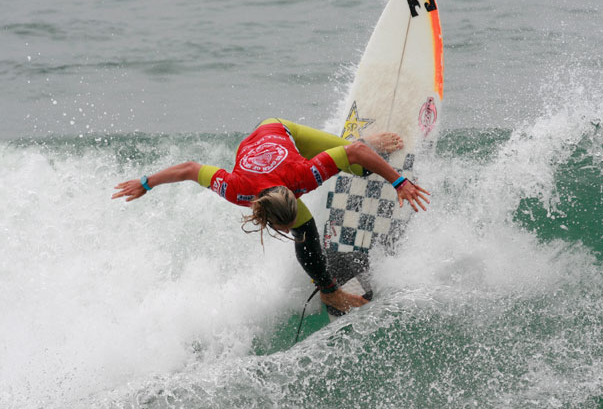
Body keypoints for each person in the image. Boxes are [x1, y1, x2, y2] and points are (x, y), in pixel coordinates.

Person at [112, 118, 430, 311]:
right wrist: (146, 183)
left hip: (278, 130)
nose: (287, 228)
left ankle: (367, 136)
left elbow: (355, 154)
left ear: (294, 194)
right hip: (257, 153)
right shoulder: (236, 189)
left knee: (362, 164)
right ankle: (331, 293)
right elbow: (188, 169)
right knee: (305, 230)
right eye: (284, 226)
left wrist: (399, 182)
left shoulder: (304, 175)